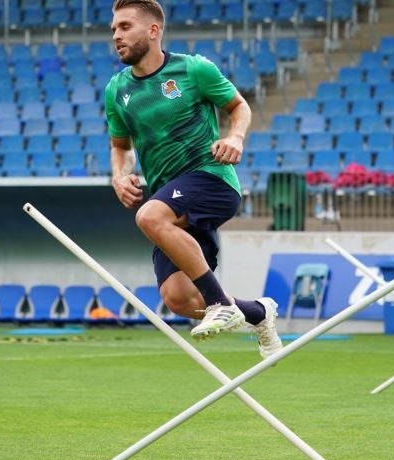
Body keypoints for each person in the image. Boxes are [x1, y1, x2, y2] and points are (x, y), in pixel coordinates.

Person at [104, 0, 282, 358]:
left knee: (150, 217)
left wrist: (235, 137)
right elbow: (120, 146)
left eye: (125, 27)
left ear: (153, 31)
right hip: (170, 198)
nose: (116, 36)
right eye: (114, 30)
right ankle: (258, 313)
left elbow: (239, 106)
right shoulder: (116, 90)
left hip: (211, 179)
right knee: (178, 299)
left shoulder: (194, 69)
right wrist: (119, 176)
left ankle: (221, 302)